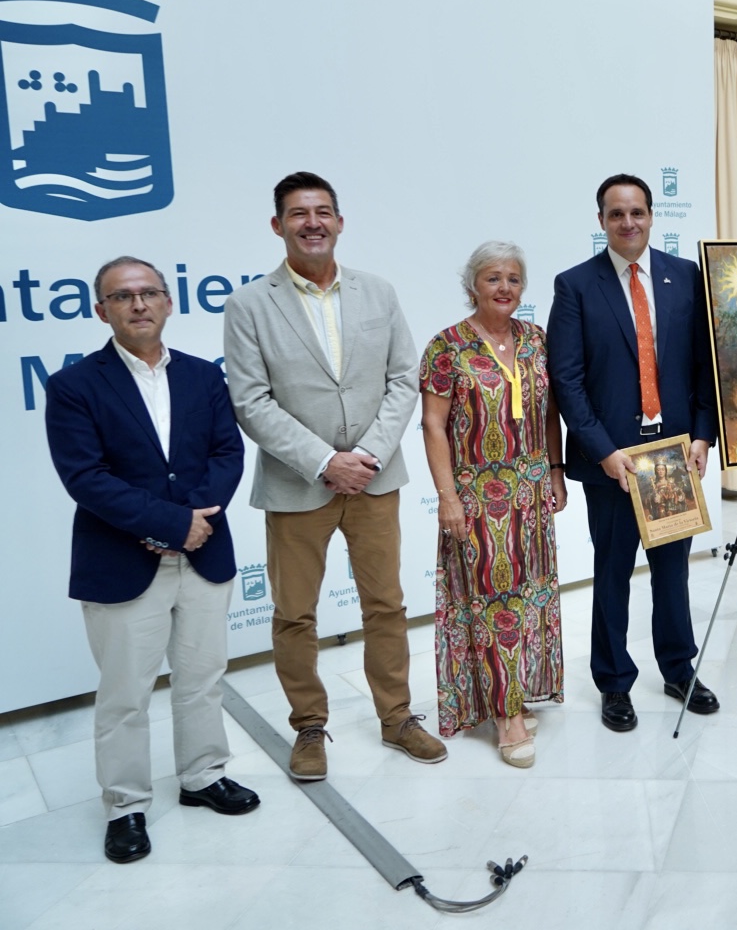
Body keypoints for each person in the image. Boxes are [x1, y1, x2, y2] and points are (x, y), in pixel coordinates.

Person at [223, 171, 447, 779]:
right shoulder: (249, 304)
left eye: (323, 211)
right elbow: (251, 401)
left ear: (341, 222)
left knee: (386, 604)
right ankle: (309, 728)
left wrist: (365, 456)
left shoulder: (378, 292)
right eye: (299, 214)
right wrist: (325, 462)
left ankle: (397, 717)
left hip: (374, 481)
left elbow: (404, 379)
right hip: (299, 486)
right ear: (278, 226)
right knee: (295, 613)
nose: (312, 222)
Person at [45, 256, 258, 864]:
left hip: (203, 554)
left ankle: (202, 776)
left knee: (201, 680)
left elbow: (226, 456)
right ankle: (126, 806)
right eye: (122, 296)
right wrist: (169, 524)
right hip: (121, 562)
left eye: (149, 293)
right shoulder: (74, 386)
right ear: (101, 310)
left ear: (168, 303)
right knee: (124, 695)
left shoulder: (203, 377)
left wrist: (190, 525)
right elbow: (86, 477)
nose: (138, 304)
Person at [549, 173, 721, 731]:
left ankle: (678, 669)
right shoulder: (575, 285)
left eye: (638, 213)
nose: (628, 223)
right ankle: (614, 682)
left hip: (673, 455)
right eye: (616, 214)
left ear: (652, 217)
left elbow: (703, 368)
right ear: (601, 221)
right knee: (613, 572)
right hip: (615, 461)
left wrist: (702, 434)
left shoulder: (684, 278)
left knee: (673, 573)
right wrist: (601, 452)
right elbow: (567, 380)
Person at [420, 241, 567, 769]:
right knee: (491, 605)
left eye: (512, 279)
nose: (504, 288)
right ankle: (505, 718)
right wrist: (447, 497)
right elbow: (433, 426)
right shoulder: (447, 347)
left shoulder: (534, 340)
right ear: (472, 286)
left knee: (525, 601)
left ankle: (514, 692)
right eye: (492, 279)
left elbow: (550, 411)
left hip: (529, 493)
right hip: (477, 499)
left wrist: (555, 470)